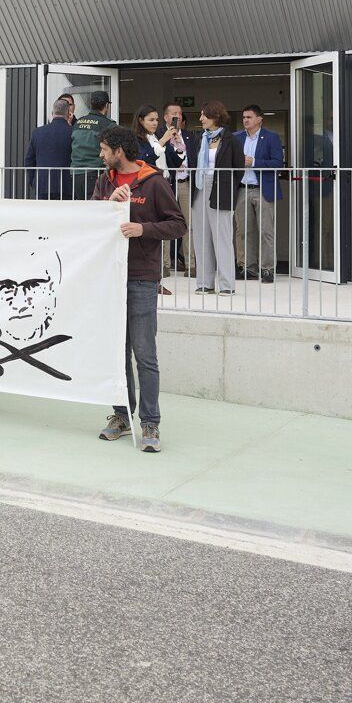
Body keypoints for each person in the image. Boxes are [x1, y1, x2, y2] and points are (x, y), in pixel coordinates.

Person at [92, 125, 185, 454]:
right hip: (112, 277)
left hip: (142, 278)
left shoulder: (154, 182)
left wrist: (142, 229)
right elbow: (91, 220)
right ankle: (122, 415)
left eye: (104, 150)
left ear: (119, 151)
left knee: (144, 354)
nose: (101, 155)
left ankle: (150, 422)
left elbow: (178, 224)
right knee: (118, 352)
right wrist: (108, 203)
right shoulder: (104, 181)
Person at [187, 102, 242, 296]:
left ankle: (227, 284)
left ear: (216, 116)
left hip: (221, 188)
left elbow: (238, 168)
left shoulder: (230, 139)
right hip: (200, 187)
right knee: (201, 237)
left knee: (222, 237)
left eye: (204, 115)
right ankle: (205, 283)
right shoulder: (199, 138)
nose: (200, 118)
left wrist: (228, 187)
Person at [235, 105, 284, 284]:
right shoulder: (237, 137)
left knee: (266, 231)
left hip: (263, 189)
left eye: (249, 117)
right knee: (244, 231)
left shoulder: (271, 137)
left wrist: (254, 162)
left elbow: (278, 163)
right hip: (242, 189)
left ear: (259, 119)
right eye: (244, 117)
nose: (245, 120)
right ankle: (247, 267)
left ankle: (267, 269)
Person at [23, 97, 75, 200]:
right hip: (66, 186)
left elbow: (28, 161)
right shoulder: (73, 132)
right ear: (68, 114)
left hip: (42, 185)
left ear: (52, 113)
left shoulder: (38, 132)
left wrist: (34, 181)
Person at [161, 103, 191, 273]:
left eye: (179, 113)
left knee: (188, 224)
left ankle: (190, 264)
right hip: (167, 184)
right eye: (173, 114)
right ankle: (164, 264)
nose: (177, 117)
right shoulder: (159, 135)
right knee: (165, 223)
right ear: (166, 117)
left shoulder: (188, 136)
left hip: (185, 183)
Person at [68, 90, 114, 199]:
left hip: (75, 175)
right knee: (95, 207)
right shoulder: (108, 125)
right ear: (106, 105)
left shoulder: (78, 123)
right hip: (95, 174)